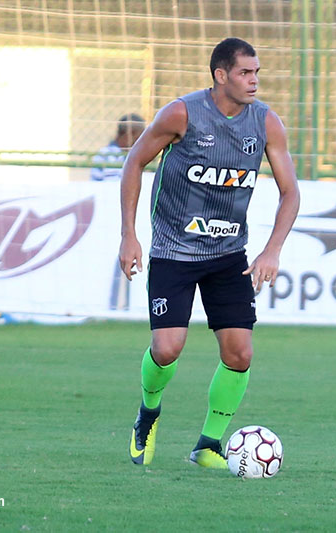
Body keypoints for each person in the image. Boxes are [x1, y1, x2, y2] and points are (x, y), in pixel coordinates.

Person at [120, 37, 300, 468]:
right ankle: (148, 414)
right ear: (221, 75)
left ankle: (208, 444)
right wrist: (129, 235)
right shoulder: (181, 113)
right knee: (166, 349)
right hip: (173, 252)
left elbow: (290, 192)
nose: (254, 81)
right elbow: (133, 163)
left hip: (227, 256)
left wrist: (271, 249)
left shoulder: (266, 123)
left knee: (240, 353)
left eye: (257, 72)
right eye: (245, 73)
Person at [91, 113, 146, 181]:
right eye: (139, 136)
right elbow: (112, 183)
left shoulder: (135, 153)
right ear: (130, 134)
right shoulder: (107, 154)